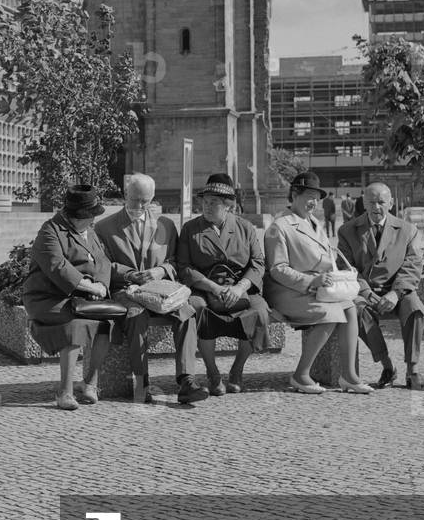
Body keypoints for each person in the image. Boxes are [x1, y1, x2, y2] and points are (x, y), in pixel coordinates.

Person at [95, 173, 209, 405]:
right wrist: (129, 274)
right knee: (136, 316)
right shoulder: (104, 227)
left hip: (162, 291)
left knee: (186, 312)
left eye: (145, 201)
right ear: (125, 194)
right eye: (135, 199)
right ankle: (141, 381)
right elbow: (102, 265)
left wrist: (160, 271)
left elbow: (177, 261)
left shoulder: (165, 224)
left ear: (153, 198)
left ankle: (187, 380)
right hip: (128, 292)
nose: (140, 205)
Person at [263, 171, 371, 395]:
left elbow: (325, 258)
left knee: (350, 309)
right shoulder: (279, 226)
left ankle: (349, 376)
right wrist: (312, 280)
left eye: (316, 198)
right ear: (295, 195)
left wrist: (331, 275)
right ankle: (301, 374)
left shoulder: (314, 222)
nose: (313, 202)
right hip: (288, 292)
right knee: (329, 314)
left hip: (318, 289)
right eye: (309, 196)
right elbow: (277, 269)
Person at [23, 185, 121, 411]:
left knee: (106, 323)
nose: (94, 220)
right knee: (75, 324)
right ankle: (64, 392)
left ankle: (90, 385)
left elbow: (103, 263)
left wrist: (102, 286)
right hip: (48, 298)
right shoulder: (50, 231)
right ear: (77, 215)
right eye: (91, 215)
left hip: (83, 298)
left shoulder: (90, 232)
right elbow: (58, 267)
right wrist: (91, 287)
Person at [176, 173, 270, 396]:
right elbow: (184, 267)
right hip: (205, 286)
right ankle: (212, 373)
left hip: (240, 286)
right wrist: (213, 287)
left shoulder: (245, 227)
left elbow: (258, 263)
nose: (207, 207)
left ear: (228, 206)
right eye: (205, 202)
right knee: (195, 308)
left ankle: (237, 370)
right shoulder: (190, 229)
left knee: (260, 311)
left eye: (214, 203)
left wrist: (239, 288)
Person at [338, 181, 424, 391]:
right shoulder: (347, 230)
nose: (376, 207)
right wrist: (366, 291)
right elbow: (346, 266)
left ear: (390, 203)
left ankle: (413, 371)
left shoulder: (408, 230)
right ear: (363, 202)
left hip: (398, 290)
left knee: (416, 310)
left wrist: (396, 294)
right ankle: (387, 366)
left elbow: (413, 264)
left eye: (381, 202)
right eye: (371, 202)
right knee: (357, 311)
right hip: (364, 290)